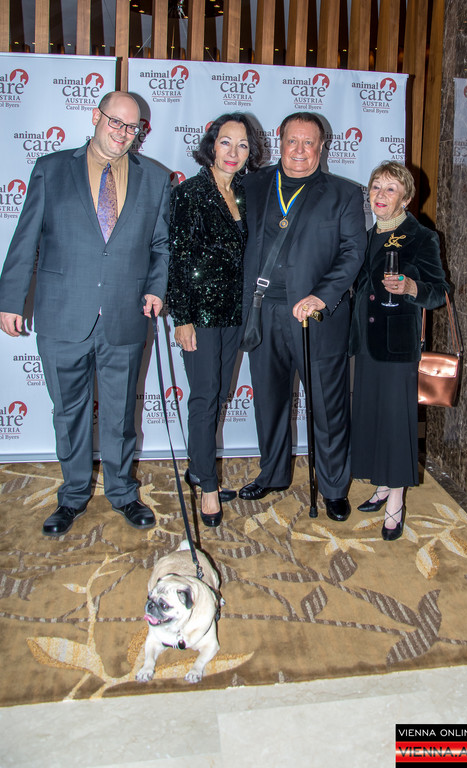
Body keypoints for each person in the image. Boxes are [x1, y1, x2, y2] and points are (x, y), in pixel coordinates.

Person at [0, 91, 170, 536]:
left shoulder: (155, 178)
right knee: (69, 413)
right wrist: (10, 299)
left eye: (133, 127)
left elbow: (161, 246)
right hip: (62, 314)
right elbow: (25, 238)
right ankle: (73, 495)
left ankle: (123, 492)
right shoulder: (52, 169)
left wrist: (156, 289)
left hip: (125, 316)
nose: (123, 133)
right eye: (116, 122)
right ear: (96, 116)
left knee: (120, 415)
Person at [238, 112, 366, 522]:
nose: (299, 150)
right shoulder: (252, 184)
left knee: (328, 407)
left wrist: (320, 297)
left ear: (322, 146)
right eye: (292, 141)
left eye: (308, 142)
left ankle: (333, 488)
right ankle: (273, 474)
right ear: (279, 141)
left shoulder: (344, 194)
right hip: (262, 312)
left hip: (317, 318)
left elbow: (352, 253)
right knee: (269, 401)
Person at [168, 113, 262, 527]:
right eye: (226, 142)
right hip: (201, 316)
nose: (233, 152)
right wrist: (182, 318)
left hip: (235, 313)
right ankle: (207, 486)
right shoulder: (189, 193)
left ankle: (198, 468)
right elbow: (177, 259)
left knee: (220, 393)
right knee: (205, 398)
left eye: (242, 145)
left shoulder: (245, 192)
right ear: (212, 145)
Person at [349, 161, 449, 540]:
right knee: (372, 415)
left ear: (405, 199)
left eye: (390, 189)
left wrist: (410, 287)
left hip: (397, 345)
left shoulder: (421, 237)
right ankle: (381, 484)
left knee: (395, 420)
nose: (381, 195)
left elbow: (439, 292)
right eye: (376, 186)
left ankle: (396, 500)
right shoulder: (366, 235)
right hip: (366, 341)